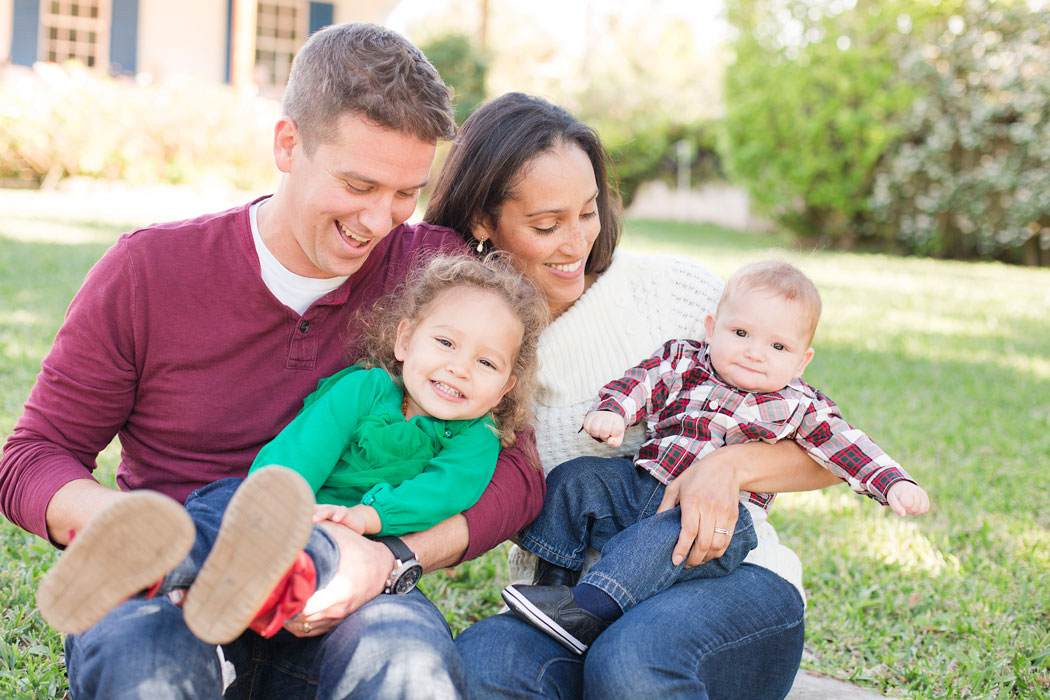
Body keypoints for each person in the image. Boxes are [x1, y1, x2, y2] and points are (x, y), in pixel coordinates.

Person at [0, 24, 545, 699]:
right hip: (172, 584)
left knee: (408, 665)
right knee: (144, 667)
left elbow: (517, 467)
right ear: (289, 145)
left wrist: (385, 557)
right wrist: (129, 533)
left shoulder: (438, 274)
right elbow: (36, 453)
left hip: (344, 582)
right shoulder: (148, 271)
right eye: (358, 183)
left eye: (406, 192)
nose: (380, 220)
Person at [425, 92, 845, 700]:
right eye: (547, 225)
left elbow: (828, 446)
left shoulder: (674, 295)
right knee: (481, 662)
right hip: (565, 612)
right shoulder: (466, 345)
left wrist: (728, 466)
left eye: (588, 212)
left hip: (728, 582)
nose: (577, 243)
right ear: (483, 223)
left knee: (632, 662)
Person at [37, 254, 548, 647]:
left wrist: (369, 517)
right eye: (446, 343)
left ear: (504, 389)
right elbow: (305, 447)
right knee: (216, 514)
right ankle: (144, 556)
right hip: (274, 500)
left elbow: (443, 492)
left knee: (316, 554)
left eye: (486, 363)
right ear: (405, 340)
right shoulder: (364, 389)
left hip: (340, 530)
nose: (460, 368)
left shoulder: (475, 439)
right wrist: (278, 501)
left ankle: (232, 597)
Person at [501, 259, 930, 654]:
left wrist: (894, 482)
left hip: (717, 521)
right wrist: (615, 411)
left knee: (667, 536)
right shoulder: (685, 360)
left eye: (778, 347)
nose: (755, 352)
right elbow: (643, 381)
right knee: (579, 478)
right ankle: (555, 580)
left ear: (803, 361)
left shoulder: (800, 404)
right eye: (741, 334)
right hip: (641, 484)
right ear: (712, 327)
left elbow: (846, 445)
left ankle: (589, 609)